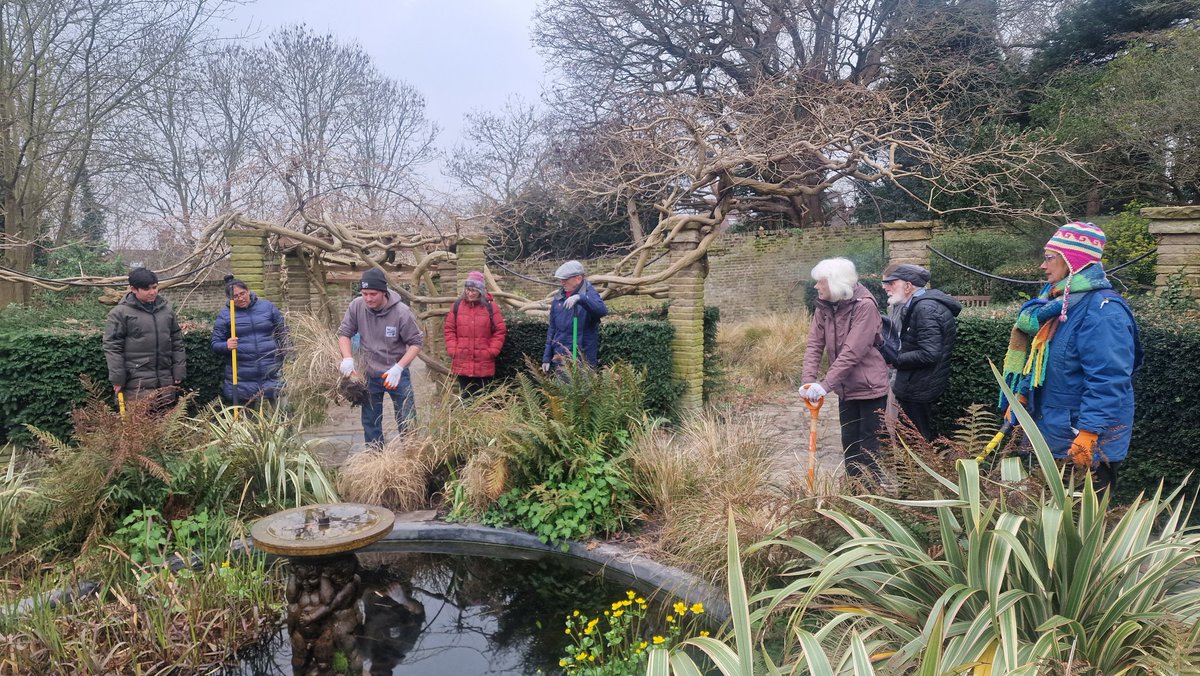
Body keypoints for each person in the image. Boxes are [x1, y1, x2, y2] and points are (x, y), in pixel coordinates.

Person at [1002, 222, 1139, 494]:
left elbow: (1108, 378)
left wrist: (1090, 432)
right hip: (1053, 428)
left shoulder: (1102, 311)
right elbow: (1044, 361)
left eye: (1049, 257)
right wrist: (1022, 394)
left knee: (1080, 525)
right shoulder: (1060, 304)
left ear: (1072, 261)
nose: (1043, 266)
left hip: (1081, 438)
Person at [800, 257, 890, 481]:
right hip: (846, 389)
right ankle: (855, 494)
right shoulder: (825, 307)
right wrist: (808, 381)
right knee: (850, 446)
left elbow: (852, 352)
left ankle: (871, 499)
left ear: (836, 283)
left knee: (869, 448)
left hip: (870, 389)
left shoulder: (865, 306)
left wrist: (825, 385)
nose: (816, 286)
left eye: (821, 282)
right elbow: (814, 344)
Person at [337, 268, 424, 447]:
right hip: (369, 374)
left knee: (407, 419)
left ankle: (412, 456)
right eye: (364, 293)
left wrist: (399, 367)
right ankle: (376, 459)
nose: (368, 298)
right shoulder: (357, 306)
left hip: (396, 375)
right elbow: (344, 333)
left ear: (383, 292)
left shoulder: (402, 312)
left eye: (373, 294)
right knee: (371, 422)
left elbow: (416, 343)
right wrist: (347, 358)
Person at [879, 264, 962, 442]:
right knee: (911, 439)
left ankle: (915, 470)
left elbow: (929, 353)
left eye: (891, 283)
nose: (885, 287)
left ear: (908, 286)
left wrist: (896, 360)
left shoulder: (926, 309)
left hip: (919, 387)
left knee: (914, 441)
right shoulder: (919, 305)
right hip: (916, 384)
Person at [103, 267, 186, 413]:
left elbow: (177, 343)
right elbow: (112, 347)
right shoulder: (119, 313)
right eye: (147, 289)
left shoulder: (166, 311)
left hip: (166, 381)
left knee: (166, 429)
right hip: (136, 384)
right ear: (133, 289)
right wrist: (117, 379)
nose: (153, 292)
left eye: (155, 287)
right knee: (140, 431)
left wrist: (179, 370)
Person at [211, 276, 289, 407]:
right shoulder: (225, 315)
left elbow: (283, 331)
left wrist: (288, 353)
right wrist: (226, 345)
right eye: (235, 296)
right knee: (249, 421)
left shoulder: (267, 307)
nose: (240, 298)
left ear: (248, 291)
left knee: (284, 414)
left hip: (272, 369)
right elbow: (215, 343)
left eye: (242, 293)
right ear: (230, 299)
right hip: (243, 377)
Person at [443, 270, 507, 397]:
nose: (470, 293)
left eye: (474, 290)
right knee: (466, 399)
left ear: (481, 291)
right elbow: (449, 329)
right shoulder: (457, 306)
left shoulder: (491, 307)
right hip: (462, 362)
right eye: (468, 289)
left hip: (484, 363)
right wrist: (453, 349)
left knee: (482, 400)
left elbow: (500, 330)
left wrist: (492, 351)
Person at [542, 260, 608, 372]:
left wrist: (581, 299)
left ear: (578, 279)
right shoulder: (558, 298)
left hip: (584, 358)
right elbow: (552, 328)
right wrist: (547, 357)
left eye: (565, 279)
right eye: (561, 279)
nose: (562, 282)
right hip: (561, 358)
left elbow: (602, 311)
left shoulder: (589, 293)